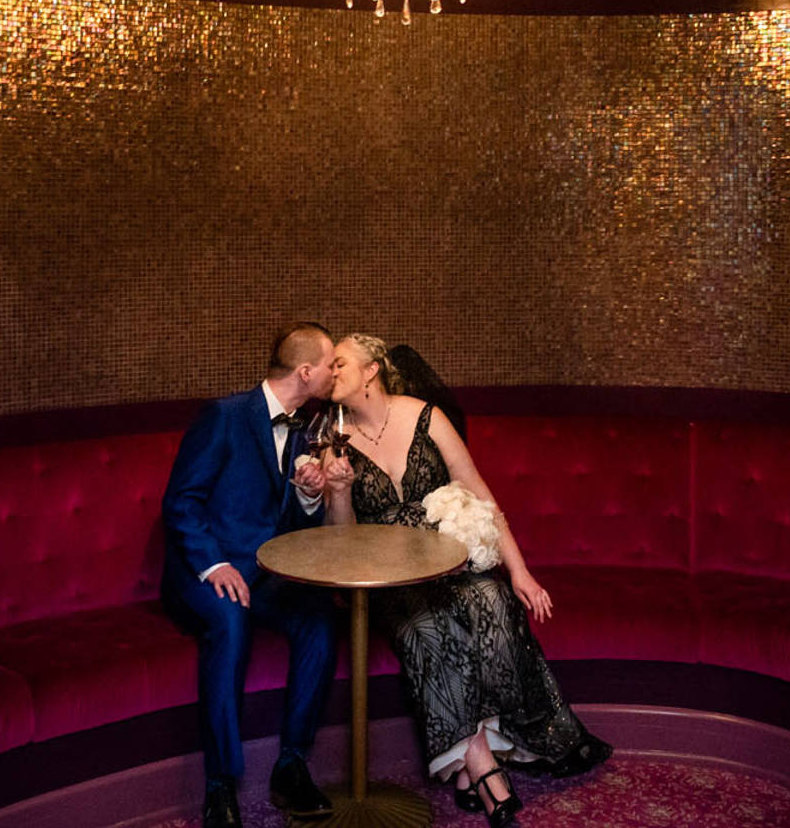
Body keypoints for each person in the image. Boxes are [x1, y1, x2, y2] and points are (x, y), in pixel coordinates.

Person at [316, 334, 611, 826]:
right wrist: (340, 492)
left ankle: (469, 765)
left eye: (340, 364)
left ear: (371, 370)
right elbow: (339, 541)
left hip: (446, 563)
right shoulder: (332, 436)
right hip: (387, 580)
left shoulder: (426, 416)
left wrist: (519, 570)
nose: (331, 374)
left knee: (493, 598)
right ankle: (483, 768)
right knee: (429, 625)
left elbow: (477, 489)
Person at [161, 322, 343, 828]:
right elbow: (181, 501)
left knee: (319, 618)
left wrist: (309, 493)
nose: (334, 373)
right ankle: (220, 786)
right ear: (306, 371)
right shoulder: (224, 416)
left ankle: (292, 764)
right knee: (230, 620)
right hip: (204, 571)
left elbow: (290, 526)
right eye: (330, 364)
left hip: (263, 573)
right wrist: (213, 563)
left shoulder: (306, 427)